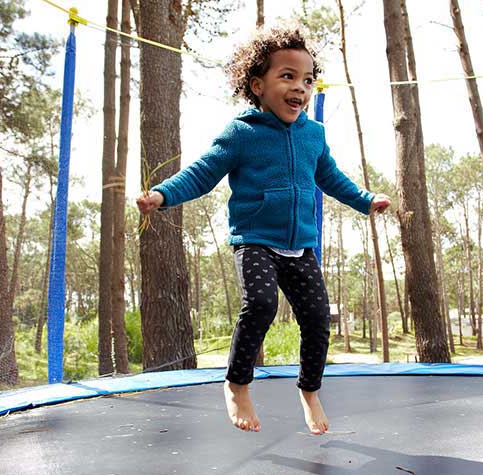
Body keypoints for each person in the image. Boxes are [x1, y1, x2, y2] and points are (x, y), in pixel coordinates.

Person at [136, 26, 390, 435]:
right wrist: (163, 195)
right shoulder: (242, 133)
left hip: (300, 245)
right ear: (258, 85)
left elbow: (331, 177)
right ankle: (237, 383)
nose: (300, 88)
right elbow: (203, 173)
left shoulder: (314, 135)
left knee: (317, 319)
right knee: (260, 304)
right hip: (255, 240)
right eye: (287, 76)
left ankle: (309, 391)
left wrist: (365, 199)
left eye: (307, 80)